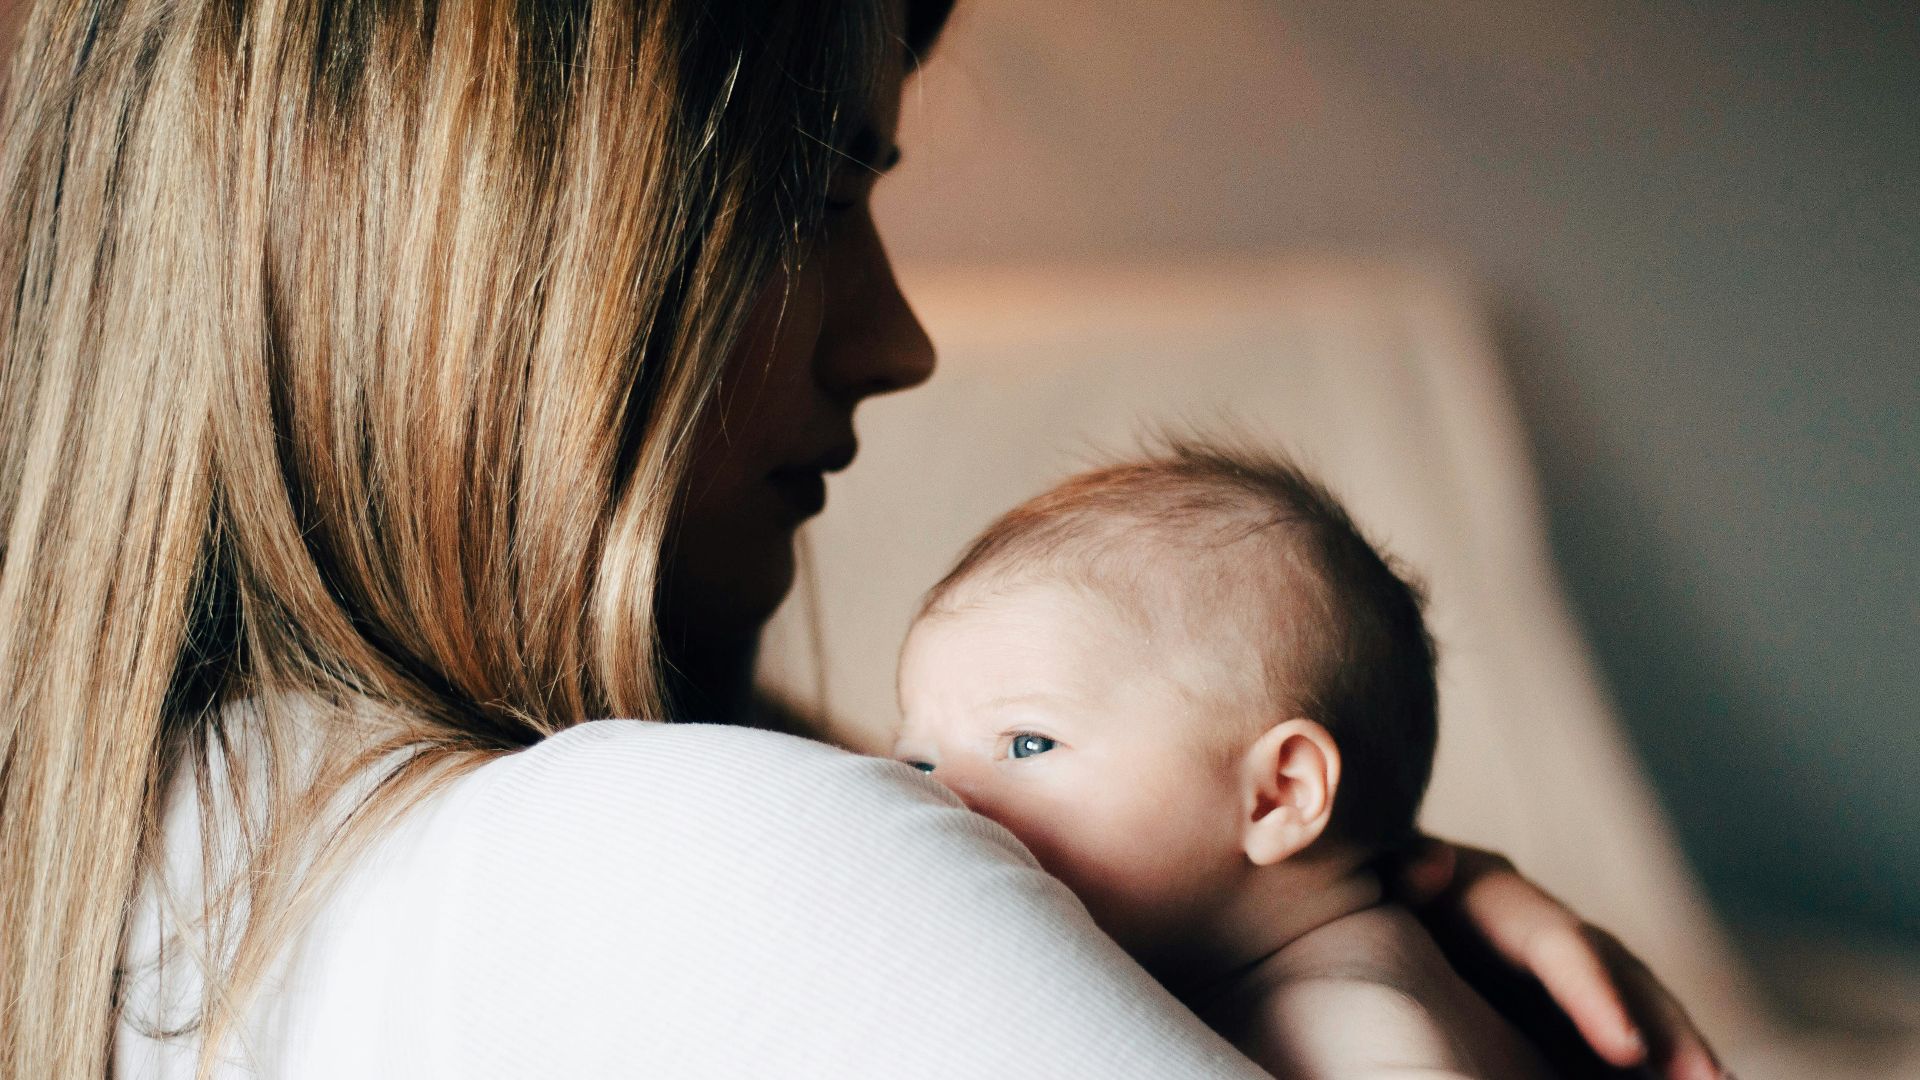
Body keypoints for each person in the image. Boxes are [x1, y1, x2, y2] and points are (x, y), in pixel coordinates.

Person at [0, 0, 1725, 1077]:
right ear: (485, 259)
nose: (895, 338)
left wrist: (1370, 892)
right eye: (821, 196)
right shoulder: (680, 855)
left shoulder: (138, 864)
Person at [893, 442, 1552, 1078]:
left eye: (1028, 743)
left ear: (1277, 795)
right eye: (918, 764)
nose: (942, 796)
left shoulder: (1346, 1019)